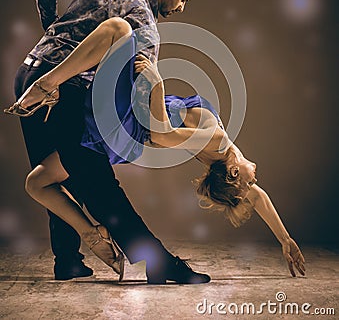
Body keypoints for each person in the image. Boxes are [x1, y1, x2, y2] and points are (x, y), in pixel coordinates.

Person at [7, 20, 305, 278]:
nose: (255, 181)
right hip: (118, 142)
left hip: (125, 123)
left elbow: (161, 134)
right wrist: (285, 239)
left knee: (118, 29)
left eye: (246, 181)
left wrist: (156, 81)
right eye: (250, 183)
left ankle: (47, 83)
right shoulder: (220, 151)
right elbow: (259, 198)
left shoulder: (215, 139)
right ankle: (91, 233)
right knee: (36, 183)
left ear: (231, 171)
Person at [4, 0, 211, 284]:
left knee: (52, 171)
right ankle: (157, 261)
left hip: (29, 72)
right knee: (97, 180)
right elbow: (141, 97)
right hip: (65, 90)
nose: (182, 7)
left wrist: (52, 34)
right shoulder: (144, 23)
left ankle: (68, 260)